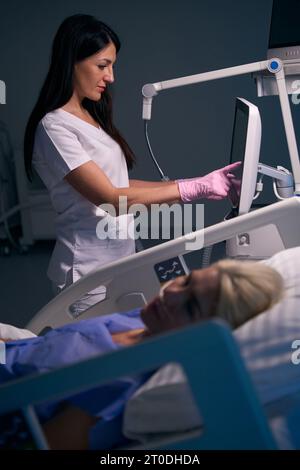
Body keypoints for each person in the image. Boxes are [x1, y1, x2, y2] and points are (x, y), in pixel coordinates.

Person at [23, 14, 241, 316]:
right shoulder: (54, 127)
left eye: (112, 65)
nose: (110, 76)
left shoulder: (89, 118)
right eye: (102, 65)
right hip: (87, 277)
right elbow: (111, 199)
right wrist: (192, 189)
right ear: (72, 61)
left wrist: (200, 183)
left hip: (117, 264)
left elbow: (120, 186)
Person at [0, 254, 284, 449]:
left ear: (205, 335)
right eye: (186, 281)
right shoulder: (145, 320)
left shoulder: (121, 384)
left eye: (190, 306)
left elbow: (42, 443)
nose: (171, 293)